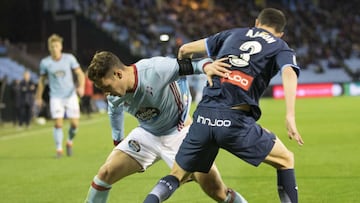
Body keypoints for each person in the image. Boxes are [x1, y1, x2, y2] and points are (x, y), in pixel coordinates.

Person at [144, 8, 304, 203]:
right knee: (285, 159)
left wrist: (186, 88)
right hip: (234, 121)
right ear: (280, 33)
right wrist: (290, 115)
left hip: (203, 116)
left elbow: (184, 50)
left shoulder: (232, 33)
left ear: (256, 22)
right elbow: (289, 72)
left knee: (177, 175)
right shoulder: (280, 46)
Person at [84, 51, 247, 203]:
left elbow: (193, 65)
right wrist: (118, 140)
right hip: (147, 134)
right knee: (105, 174)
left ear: (118, 74)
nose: (106, 93)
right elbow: (115, 112)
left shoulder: (155, 69)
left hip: (182, 133)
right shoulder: (114, 96)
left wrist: (207, 66)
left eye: (107, 87)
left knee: (217, 191)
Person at [35, 33, 85, 158]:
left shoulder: (69, 58)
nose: (54, 48)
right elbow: (41, 81)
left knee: (74, 124)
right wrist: (38, 97)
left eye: (56, 46)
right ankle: (59, 150)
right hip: (56, 97)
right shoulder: (45, 63)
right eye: (52, 46)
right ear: (49, 48)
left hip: (70, 95)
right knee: (58, 123)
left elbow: (80, 74)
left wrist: (81, 86)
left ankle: (69, 141)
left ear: (61, 46)